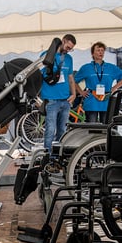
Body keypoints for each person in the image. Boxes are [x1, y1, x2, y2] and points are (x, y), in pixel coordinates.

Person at [40, 34, 77, 164]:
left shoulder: (69, 59)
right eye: (68, 47)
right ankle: (47, 157)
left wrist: (74, 94)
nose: (68, 50)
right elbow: (39, 75)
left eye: (71, 49)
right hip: (51, 99)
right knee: (50, 130)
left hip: (65, 100)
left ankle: (58, 156)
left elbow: (70, 78)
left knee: (62, 130)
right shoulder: (46, 55)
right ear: (63, 41)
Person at [74, 41, 122, 123]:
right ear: (92, 53)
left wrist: (114, 88)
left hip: (106, 101)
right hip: (91, 102)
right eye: (98, 50)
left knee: (106, 127)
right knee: (92, 127)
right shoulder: (86, 68)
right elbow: (74, 81)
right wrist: (81, 92)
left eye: (102, 50)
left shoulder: (111, 67)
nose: (100, 52)